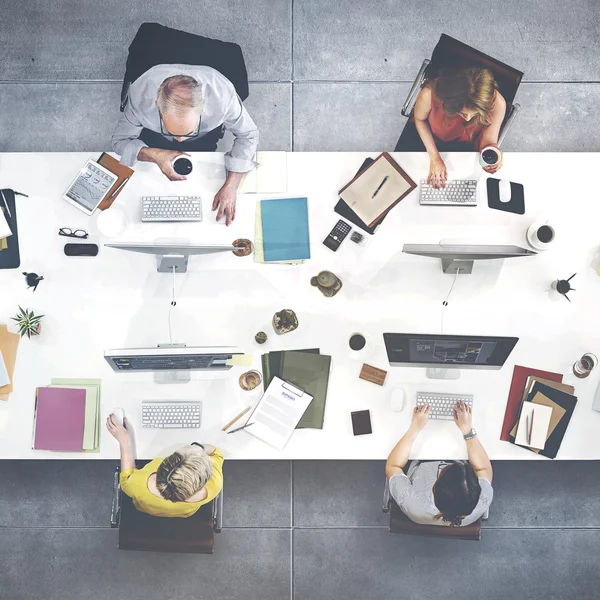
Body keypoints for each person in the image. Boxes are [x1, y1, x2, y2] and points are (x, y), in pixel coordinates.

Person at [112, 65, 259, 225]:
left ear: (203, 107)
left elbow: (248, 134)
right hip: (156, 138)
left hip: (205, 136)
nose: (180, 141)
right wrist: (154, 155)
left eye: (188, 132)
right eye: (172, 131)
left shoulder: (223, 99)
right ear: (156, 105)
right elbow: (120, 141)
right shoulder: (140, 97)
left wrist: (231, 186)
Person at [385, 401, 493, 527]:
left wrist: (415, 427)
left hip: (422, 460)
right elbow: (484, 468)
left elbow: (393, 466)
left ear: (435, 487)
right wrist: (467, 431)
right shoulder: (482, 500)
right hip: (456, 452)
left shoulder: (412, 503)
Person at [106, 413, 224, 518]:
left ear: (162, 466)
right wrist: (199, 448)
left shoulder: (138, 483)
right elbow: (216, 453)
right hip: (184, 513)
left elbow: (125, 479)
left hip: (148, 510)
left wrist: (124, 440)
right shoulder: (214, 484)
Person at [412, 67, 506, 188]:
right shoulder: (428, 94)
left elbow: (488, 141)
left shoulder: (497, 104)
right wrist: (434, 157)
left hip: (470, 147)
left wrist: (493, 152)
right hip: (435, 139)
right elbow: (420, 120)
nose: (467, 119)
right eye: (461, 112)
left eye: (475, 113)